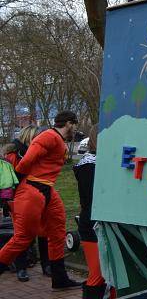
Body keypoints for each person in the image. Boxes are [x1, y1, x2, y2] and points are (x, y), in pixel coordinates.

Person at [0, 112, 82, 289]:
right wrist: (18, 186)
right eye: (75, 124)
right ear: (69, 123)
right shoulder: (49, 136)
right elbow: (26, 161)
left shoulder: (57, 139)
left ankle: (59, 279)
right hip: (32, 190)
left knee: (57, 232)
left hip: (47, 190)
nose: (76, 128)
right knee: (23, 237)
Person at [2, 126, 50, 282]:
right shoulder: (13, 155)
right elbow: (8, 179)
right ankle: (21, 267)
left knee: (43, 231)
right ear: (29, 137)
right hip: (19, 198)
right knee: (21, 233)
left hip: (40, 194)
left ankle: (46, 265)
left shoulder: (40, 153)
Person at [74, 131, 106, 299]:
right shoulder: (89, 164)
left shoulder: (96, 161)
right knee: (97, 274)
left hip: (100, 222)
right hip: (93, 224)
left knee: (108, 275)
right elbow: (92, 198)